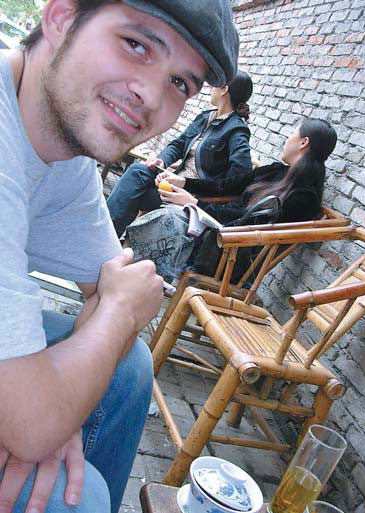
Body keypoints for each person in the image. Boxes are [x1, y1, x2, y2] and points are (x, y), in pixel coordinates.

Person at [0, 1, 239, 513]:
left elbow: (116, 280)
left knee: (128, 367)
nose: (151, 95)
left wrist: (63, 406)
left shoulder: (63, 151)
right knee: (78, 497)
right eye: (136, 44)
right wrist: (46, 417)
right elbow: (124, 300)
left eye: (181, 83)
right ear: (61, 18)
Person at [123, 118, 338, 283]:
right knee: (165, 213)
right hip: (217, 231)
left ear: (303, 142)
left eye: (292, 133)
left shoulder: (303, 197)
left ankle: (135, 278)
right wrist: (184, 183)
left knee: (167, 218)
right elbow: (229, 184)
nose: (287, 139)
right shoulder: (277, 172)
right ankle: (132, 275)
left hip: (227, 254)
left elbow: (246, 227)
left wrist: (195, 204)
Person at [107, 71, 254, 237]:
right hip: (173, 182)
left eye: (216, 85)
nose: (212, 88)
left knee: (133, 192)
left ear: (224, 90)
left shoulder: (237, 129)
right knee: (137, 172)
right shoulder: (205, 117)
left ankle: (108, 237)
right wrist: (161, 161)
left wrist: (200, 192)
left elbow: (242, 175)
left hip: (190, 196)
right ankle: (109, 237)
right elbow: (179, 144)